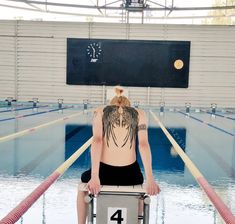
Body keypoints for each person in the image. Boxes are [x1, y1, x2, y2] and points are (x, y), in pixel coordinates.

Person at [77, 86, 160, 224]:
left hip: (104, 173)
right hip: (130, 175)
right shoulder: (139, 113)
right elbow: (143, 145)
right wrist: (150, 180)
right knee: (140, 194)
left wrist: (95, 177)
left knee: (82, 189)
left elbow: (97, 141)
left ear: (112, 103)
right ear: (128, 105)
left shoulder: (101, 111)